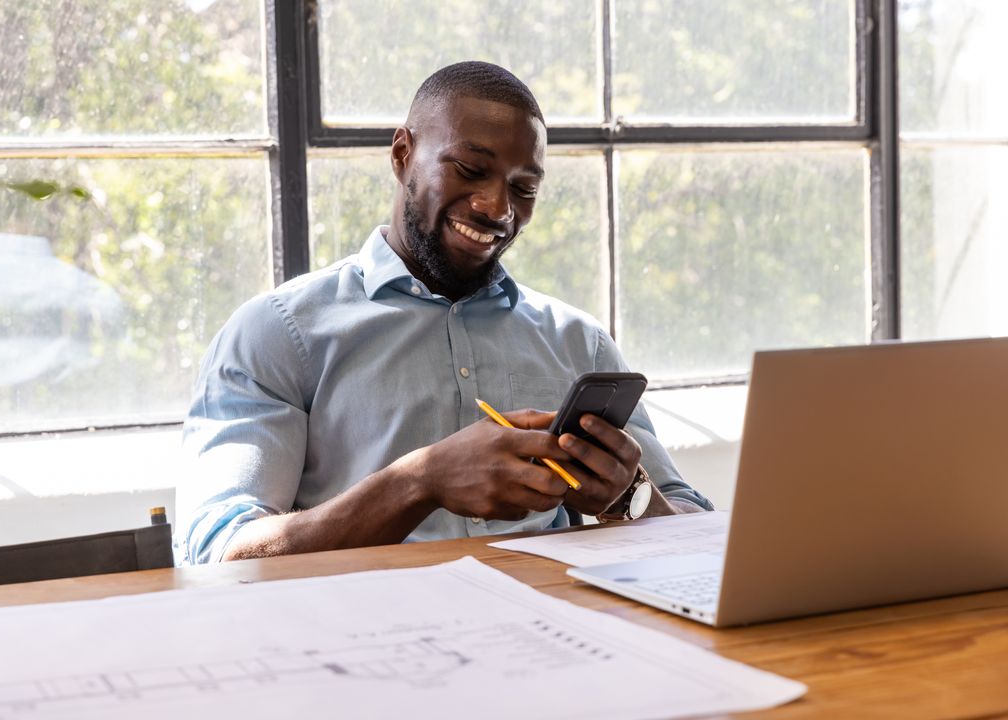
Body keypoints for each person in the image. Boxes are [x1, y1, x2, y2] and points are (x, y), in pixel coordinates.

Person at [177, 61, 712, 564]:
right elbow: (218, 556)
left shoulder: (580, 343)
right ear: (402, 154)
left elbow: (694, 532)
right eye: (470, 169)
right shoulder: (276, 333)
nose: (497, 209)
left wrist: (628, 496)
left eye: (523, 189)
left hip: (549, 638)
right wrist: (419, 481)